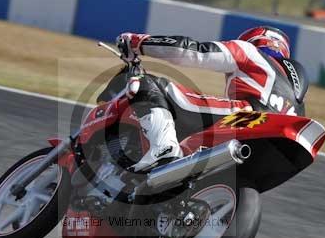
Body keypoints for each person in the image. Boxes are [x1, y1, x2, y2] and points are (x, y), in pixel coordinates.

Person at [116, 26, 307, 172]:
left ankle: (163, 150)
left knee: (145, 84)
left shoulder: (249, 51)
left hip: (248, 117)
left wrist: (136, 43)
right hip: (277, 151)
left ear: (256, 40)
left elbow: (192, 52)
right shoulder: (297, 97)